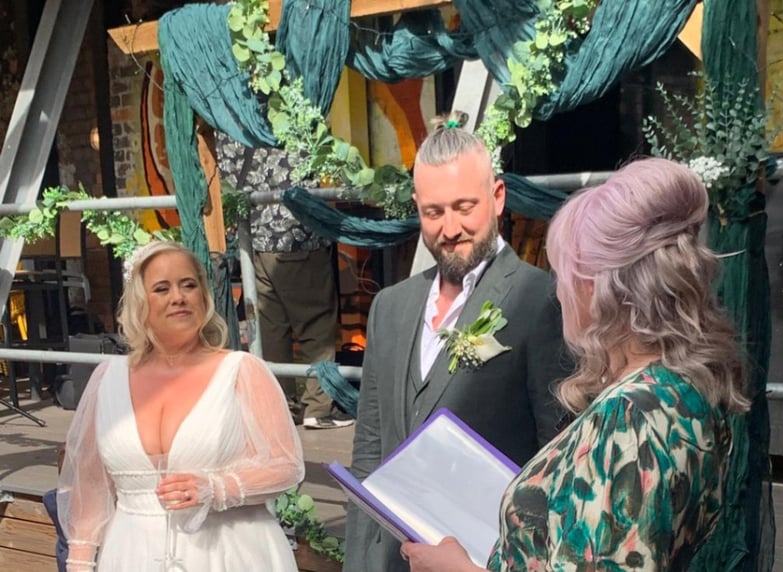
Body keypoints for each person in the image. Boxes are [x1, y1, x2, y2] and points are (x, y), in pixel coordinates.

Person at [400, 157, 750, 571]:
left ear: (594, 287)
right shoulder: (683, 388)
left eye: (562, 273)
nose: (559, 291)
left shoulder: (631, 416)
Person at [343, 111, 573, 572]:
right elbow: (370, 448)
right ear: (417, 207)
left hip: (484, 558)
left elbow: (558, 455)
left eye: (465, 207)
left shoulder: (541, 300)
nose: (450, 229)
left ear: (498, 197)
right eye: (434, 212)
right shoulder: (390, 306)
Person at [57, 241, 305, 571]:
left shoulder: (243, 371)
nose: (178, 297)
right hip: (131, 555)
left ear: (203, 295)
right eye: (162, 288)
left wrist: (218, 488)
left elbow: (286, 466)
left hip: (229, 552)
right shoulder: (107, 379)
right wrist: (79, 562)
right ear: (140, 302)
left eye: (188, 285)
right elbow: (89, 485)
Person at [215, 133, 353, 429]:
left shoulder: (231, 122)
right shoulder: (291, 117)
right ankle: (319, 407)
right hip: (296, 233)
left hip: (253, 238)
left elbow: (226, 172)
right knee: (316, 324)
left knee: (270, 328)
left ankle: (280, 406)